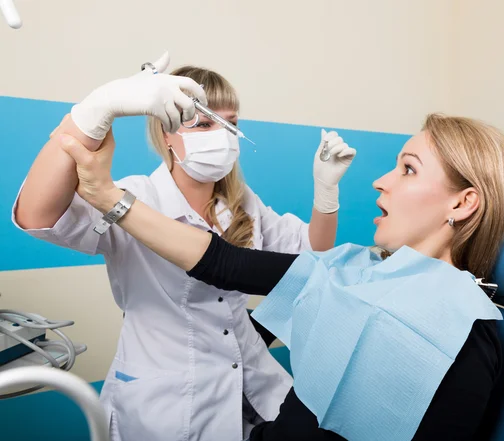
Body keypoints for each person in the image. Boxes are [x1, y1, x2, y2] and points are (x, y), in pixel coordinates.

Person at [57, 112, 504, 440]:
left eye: (407, 170)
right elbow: (222, 262)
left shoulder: (461, 336)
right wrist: (106, 196)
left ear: (462, 202)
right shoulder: (357, 268)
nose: (381, 180)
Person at [12, 55, 356, 441]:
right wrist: (100, 107)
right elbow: (36, 215)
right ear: (167, 133)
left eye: (232, 124)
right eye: (206, 122)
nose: (223, 136)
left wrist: (326, 190)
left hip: (252, 389)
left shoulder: (242, 205)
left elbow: (310, 253)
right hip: (166, 403)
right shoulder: (136, 197)